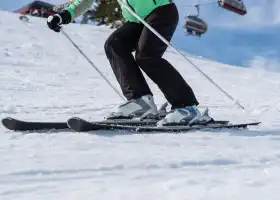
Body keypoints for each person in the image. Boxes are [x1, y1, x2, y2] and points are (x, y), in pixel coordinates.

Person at [47, 0, 211, 126]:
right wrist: (64, 16)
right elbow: (84, 1)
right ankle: (141, 102)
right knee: (114, 44)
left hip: (161, 11)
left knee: (146, 56)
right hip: (138, 20)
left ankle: (187, 107)